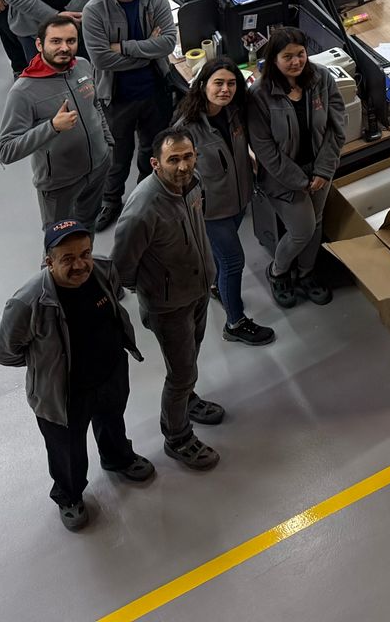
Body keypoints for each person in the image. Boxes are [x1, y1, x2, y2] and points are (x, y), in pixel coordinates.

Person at [0, 217, 153, 532]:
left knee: (112, 420)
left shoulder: (103, 270)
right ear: (48, 262)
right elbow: (5, 352)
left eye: (85, 254)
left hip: (110, 373)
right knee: (66, 450)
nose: (80, 265)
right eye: (67, 259)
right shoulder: (27, 302)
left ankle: (117, 458)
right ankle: (69, 495)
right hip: (64, 393)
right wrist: (45, 365)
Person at [109, 124, 223, 471]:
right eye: (173, 159)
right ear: (155, 163)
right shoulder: (143, 208)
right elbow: (121, 268)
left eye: (188, 157)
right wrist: (157, 288)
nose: (183, 166)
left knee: (191, 356)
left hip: (198, 290)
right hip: (168, 306)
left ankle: (187, 400)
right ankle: (178, 437)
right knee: (181, 372)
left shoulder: (192, 183)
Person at [178, 60, 274, 347]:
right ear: (202, 85)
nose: (225, 89)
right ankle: (235, 323)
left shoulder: (235, 112)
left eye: (231, 83)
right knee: (233, 261)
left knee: (222, 260)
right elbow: (177, 175)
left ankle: (217, 286)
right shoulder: (187, 129)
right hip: (210, 211)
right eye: (218, 83)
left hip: (238, 199)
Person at [81, 0, 177, 228]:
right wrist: (148, 49)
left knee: (151, 151)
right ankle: (110, 201)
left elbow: (167, 44)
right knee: (117, 156)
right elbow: (101, 59)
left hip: (155, 91)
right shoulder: (94, 10)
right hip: (116, 97)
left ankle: (144, 200)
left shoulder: (156, 1)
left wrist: (123, 47)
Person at [244, 26, 339, 308]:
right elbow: (264, 149)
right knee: (302, 230)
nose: (296, 61)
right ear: (274, 59)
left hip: (319, 170)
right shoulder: (259, 95)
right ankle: (278, 271)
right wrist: (301, 181)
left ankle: (306, 273)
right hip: (282, 177)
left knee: (316, 221)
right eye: (288, 57)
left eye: (300, 54)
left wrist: (323, 170)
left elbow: (337, 126)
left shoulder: (321, 78)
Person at [0, 14, 110, 221]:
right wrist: (52, 127)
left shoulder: (83, 65)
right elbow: (6, 150)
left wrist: (107, 143)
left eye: (71, 41)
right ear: (39, 45)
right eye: (56, 41)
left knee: (88, 225)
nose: (64, 48)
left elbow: (95, 105)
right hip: (60, 184)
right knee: (61, 237)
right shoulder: (23, 92)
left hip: (98, 168)